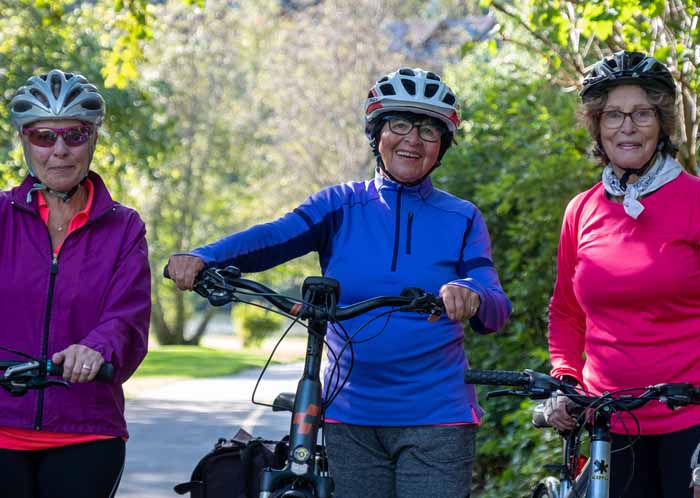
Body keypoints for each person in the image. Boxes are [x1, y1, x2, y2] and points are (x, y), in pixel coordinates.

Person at [167, 67, 511, 498]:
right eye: (399, 124)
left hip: (436, 416)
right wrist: (206, 256)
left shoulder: (462, 217)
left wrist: (474, 295)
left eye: (428, 129)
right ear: (377, 134)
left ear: (442, 145)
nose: (412, 139)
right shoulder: (341, 204)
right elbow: (275, 236)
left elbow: (496, 306)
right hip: (350, 414)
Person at [547, 51, 700, 497]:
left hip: (690, 420)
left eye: (641, 113)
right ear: (597, 125)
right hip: (606, 423)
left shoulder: (694, 200)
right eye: (613, 114)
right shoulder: (582, 210)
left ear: (662, 123)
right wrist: (566, 381)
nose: (626, 127)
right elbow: (567, 313)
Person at [0, 69, 151, 498]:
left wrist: (95, 349)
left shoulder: (123, 227)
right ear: (26, 143)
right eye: (44, 137)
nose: (60, 150)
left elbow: (128, 317)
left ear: (94, 139)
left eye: (75, 135)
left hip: (86, 431)